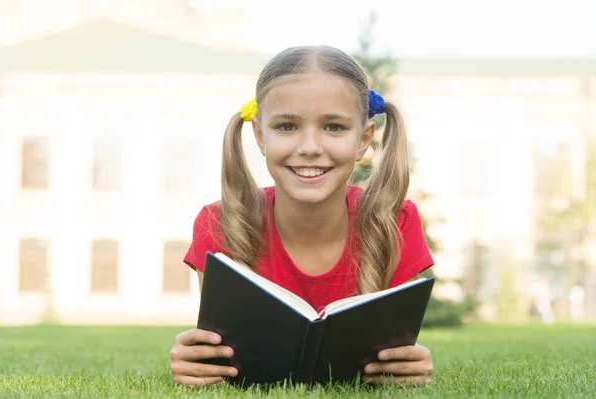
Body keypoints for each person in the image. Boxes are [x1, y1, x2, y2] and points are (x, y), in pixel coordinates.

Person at [169, 45, 435, 387]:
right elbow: (216, 349)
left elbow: (397, 352)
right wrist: (196, 361)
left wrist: (409, 365)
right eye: (287, 126)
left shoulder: (394, 221)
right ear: (260, 136)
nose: (310, 146)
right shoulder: (220, 223)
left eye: (335, 127)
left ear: (363, 139)